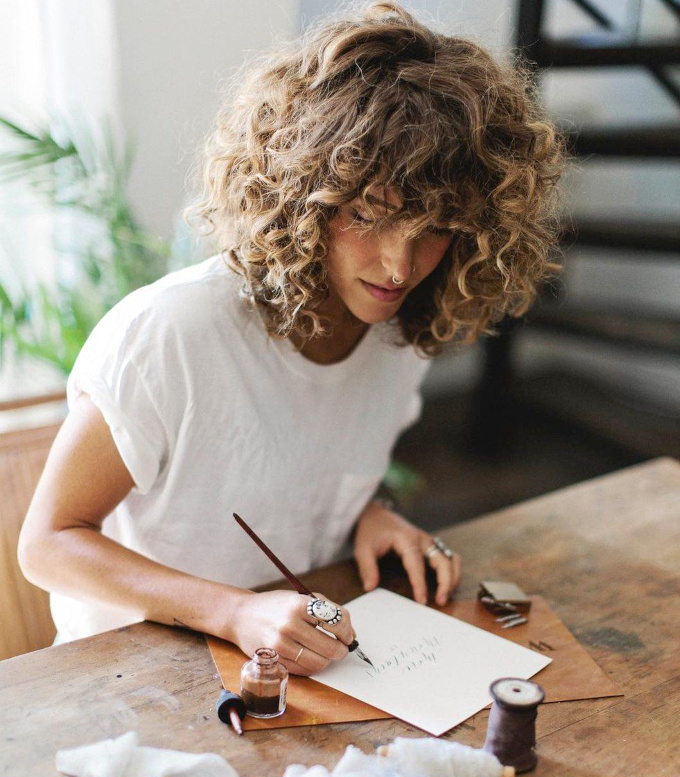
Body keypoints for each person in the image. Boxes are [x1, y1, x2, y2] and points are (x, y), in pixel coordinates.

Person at [18, 1, 564, 675]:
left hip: (300, 667)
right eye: (367, 213)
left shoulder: (396, 333)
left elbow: (298, 465)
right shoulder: (170, 335)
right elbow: (46, 544)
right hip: (134, 675)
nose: (399, 267)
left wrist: (370, 512)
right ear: (303, 197)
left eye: (434, 227)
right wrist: (235, 611)